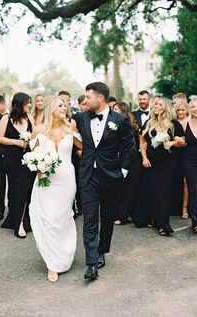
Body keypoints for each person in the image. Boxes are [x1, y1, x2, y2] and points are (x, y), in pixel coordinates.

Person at [75, 82, 136, 280]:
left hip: (111, 176)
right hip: (88, 177)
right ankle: (91, 263)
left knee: (107, 218)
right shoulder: (81, 118)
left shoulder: (119, 120)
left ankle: (102, 250)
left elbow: (130, 147)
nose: (85, 101)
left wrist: (124, 171)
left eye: (88, 97)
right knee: (90, 219)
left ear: (100, 98)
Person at [29, 96, 82, 283]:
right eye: (60, 105)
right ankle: (52, 264)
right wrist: (38, 168)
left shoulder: (71, 128)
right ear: (51, 108)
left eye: (65, 105)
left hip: (67, 180)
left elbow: (84, 150)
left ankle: (64, 254)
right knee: (49, 219)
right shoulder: (38, 130)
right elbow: (31, 156)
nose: (64, 107)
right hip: (47, 180)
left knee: (63, 218)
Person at [134, 97, 185, 236]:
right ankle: (152, 218)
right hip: (151, 161)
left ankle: (163, 224)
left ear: (166, 107)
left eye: (160, 104)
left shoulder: (173, 124)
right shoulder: (149, 123)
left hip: (167, 163)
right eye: (155, 104)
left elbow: (182, 141)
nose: (156, 106)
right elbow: (142, 141)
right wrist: (144, 157)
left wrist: (172, 143)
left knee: (163, 192)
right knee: (151, 190)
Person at [0, 92, 34, 238]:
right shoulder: (7, 118)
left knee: (24, 191)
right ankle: (13, 219)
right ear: (19, 103)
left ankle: (20, 224)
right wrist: (16, 142)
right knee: (14, 191)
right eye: (27, 103)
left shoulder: (29, 118)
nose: (29, 105)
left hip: (28, 160)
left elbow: (35, 137)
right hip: (11, 161)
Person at [113, 102, 140, 225]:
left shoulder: (130, 125)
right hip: (116, 160)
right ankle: (118, 214)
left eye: (116, 109)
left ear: (122, 111)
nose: (113, 111)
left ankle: (123, 215)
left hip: (131, 160)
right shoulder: (112, 124)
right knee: (118, 189)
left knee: (129, 189)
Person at [171, 101, 190, 218]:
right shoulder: (173, 122)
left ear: (186, 110)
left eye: (183, 110)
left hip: (188, 153)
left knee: (186, 182)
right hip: (176, 153)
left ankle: (185, 208)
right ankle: (173, 206)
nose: (180, 112)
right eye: (178, 110)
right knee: (175, 179)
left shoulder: (191, 121)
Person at [184, 98, 197, 233]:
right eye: (193, 107)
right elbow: (180, 140)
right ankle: (196, 222)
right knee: (194, 190)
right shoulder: (186, 123)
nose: (196, 109)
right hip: (190, 162)